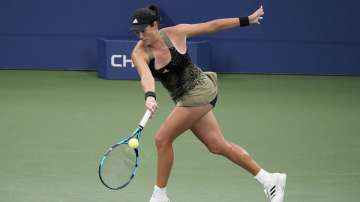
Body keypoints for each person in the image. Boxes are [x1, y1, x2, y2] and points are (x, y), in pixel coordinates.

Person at [130, 4, 286, 202]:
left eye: (143, 30)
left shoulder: (176, 33)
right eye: (137, 32)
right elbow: (146, 76)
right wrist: (150, 95)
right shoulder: (139, 53)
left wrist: (247, 19)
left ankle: (159, 196)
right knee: (217, 145)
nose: (140, 36)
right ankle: (270, 180)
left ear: (155, 25)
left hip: (201, 89)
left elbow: (213, 25)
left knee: (162, 139)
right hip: (184, 99)